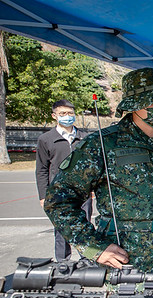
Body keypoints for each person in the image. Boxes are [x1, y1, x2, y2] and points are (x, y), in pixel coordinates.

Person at [44, 68, 153, 295]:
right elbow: (59, 201)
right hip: (131, 259)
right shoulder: (103, 145)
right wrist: (95, 248)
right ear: (135, 106)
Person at [35, 99, 93, 261]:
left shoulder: (85, 138)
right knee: (61, 228)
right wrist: (43, 194)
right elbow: (41, 169)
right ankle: (63, 261)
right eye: (63, 114)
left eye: (70, 113)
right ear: (54, 116)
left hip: (83, 191)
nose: (67, 116)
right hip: (58, 192)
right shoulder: (46, 139)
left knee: (85, 227)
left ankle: (86, 259)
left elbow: (92, 167)